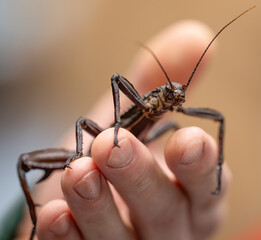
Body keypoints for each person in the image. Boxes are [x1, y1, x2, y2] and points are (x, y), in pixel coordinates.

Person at [15, 20, 231, 239]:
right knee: (25, 162)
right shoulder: (146, 103)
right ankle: (32, 224)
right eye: (171, 95)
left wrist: (217, 169)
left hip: (131, 148)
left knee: (184, 125)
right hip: (92, 154)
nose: (176, 99)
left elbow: (217, 119)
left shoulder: (168, 108)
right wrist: (110, 131)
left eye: (178, 97)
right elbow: (114, 83)